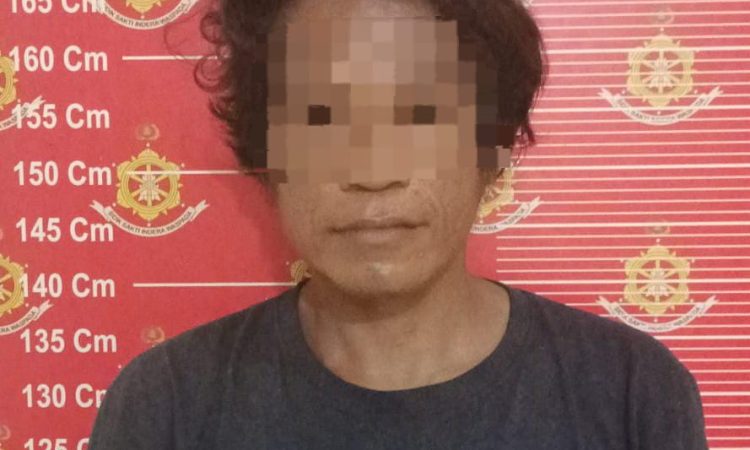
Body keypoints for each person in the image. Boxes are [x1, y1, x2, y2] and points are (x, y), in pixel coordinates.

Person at [88, 0, 709, 448]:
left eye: (420, 114)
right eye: (321, 118)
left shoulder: (630, 394)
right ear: (268, 155)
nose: (372, 170)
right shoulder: (168, 406)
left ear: (491, 147)